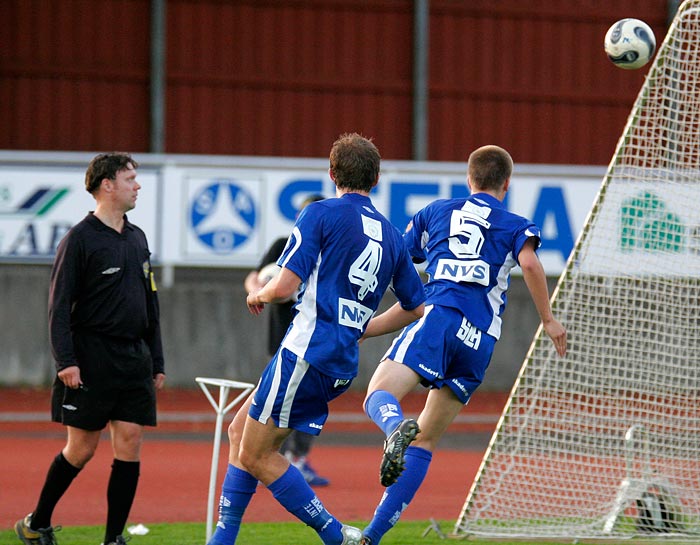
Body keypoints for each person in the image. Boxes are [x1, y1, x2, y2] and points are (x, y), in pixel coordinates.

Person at [206, 133, 426, 545]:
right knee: (240, 432)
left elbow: (284, 286)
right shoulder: (393, 236)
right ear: (376, 178)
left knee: (255, 453)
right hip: (338, 362)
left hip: (306, 352)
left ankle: (334, 533)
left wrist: (258, 293)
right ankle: (223, 538)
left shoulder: (319, 214)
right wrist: (364, 327)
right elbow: (416, 306)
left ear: (331, 173)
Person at [359, 145, 568, 545]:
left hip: (438, 317)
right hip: (480, 339)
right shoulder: (515, 224)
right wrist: (548, 320)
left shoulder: (436, 212)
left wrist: (363, 317)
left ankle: (393, 426)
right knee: (427, 439)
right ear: (507, 183)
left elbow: (400, 267)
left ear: (468, 179)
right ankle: (373, 535)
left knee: (379, 392)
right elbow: (529, 264)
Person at [15, 153, 166, 545]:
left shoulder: (137, 238)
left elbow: (150, 303)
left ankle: (114, 538)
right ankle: (37, 524)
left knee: (130, 442)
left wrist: (157, 359)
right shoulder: (79, 240)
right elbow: (58, 306)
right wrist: (66, 360)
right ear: (106, 185)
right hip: (91, 357)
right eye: (129, 178)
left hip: (134, 359)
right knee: (81, 450)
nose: (137, 185)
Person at [243, 194, 330, 487]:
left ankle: (297, 460)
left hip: (313, 343)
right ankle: (266, 459)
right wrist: (258, 290)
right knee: (272, 405)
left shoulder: (328, 251)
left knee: (308, 404)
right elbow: (255, 276)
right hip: (282, 340)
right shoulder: (283, 245)